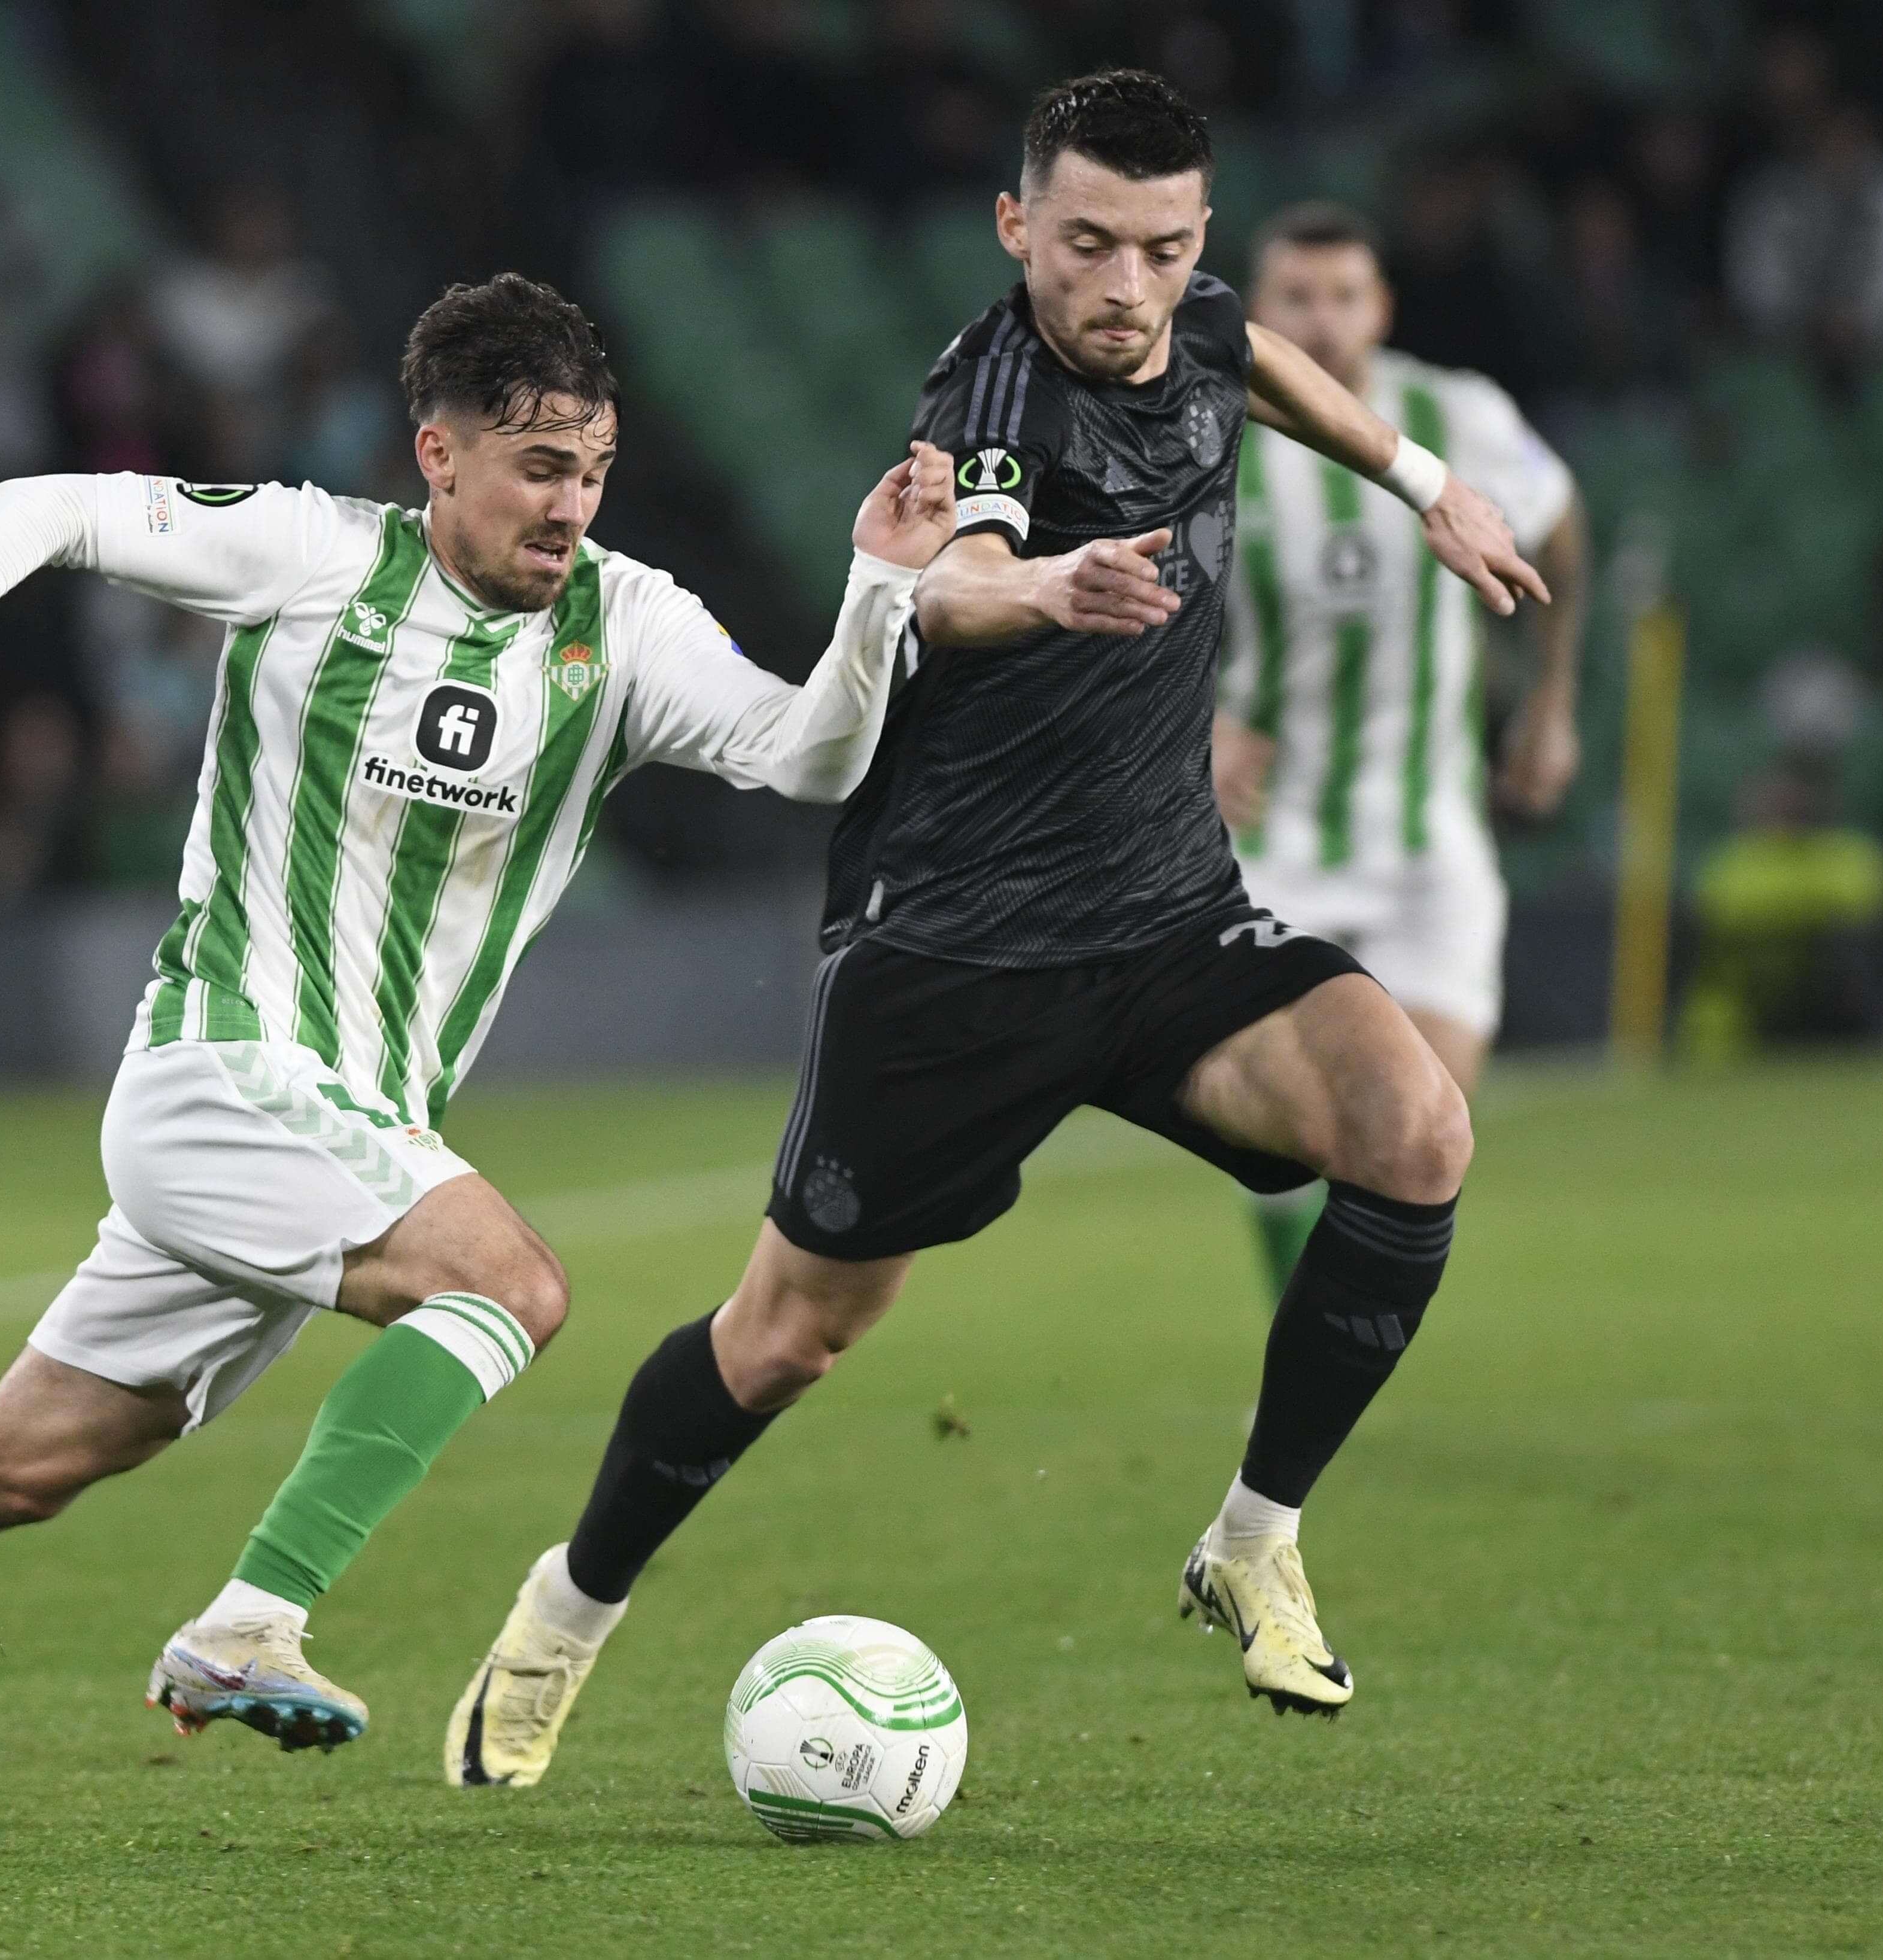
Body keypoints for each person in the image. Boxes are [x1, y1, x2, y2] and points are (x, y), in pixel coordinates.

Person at [0, 273, 958, 1819]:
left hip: (347, 1126)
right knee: (511, 1282)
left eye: (593, 470)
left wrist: (878, 590)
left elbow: (807, 749)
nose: (572, 505)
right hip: (220, 1067)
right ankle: (252, 1618)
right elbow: (48, 506)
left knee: (13, 1464)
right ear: (438, 456)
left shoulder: (622, 626)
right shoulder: (312, 555)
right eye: (539, 468)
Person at [446, 71, 1552, 1790]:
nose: (1123, 286)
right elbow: (951, 575)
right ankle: (563, 1610)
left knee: (1412, 1128)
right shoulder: (992, 389)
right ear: (1015, 224)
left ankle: (1253, 1535)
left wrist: (1424, 482)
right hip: (956, 949)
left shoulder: (1195, 322)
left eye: (1162, 248)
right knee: (788, 1337)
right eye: (1087, 242)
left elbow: (1254, 355)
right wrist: (1042, 585)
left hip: (1171, 915)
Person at [1210, 201, 1586, 1298]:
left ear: (1381, 306)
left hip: (1429, 840)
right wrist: (1195, 726)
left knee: (1415, 1139)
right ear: (1258, 309)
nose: (1321, 322)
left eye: (1342, 297)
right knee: (1286, 1141)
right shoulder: (1210, 427)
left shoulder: (1455, 417)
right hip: (1270, 838)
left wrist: (1550, 703)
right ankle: (1309, 1353)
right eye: (1295, 298)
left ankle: (1318, 1356)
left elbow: (1561, 525)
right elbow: (1135, 594)